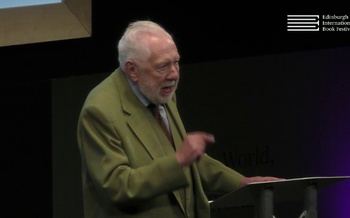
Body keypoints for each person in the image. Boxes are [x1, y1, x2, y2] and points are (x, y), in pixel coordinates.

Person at [77, 20, 284, 218]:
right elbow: (118, 186)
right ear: (133, 70)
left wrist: (241, 184)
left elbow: (187, 159)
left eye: (176, 62)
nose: (174, 74)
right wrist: (179, 161)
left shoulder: (159, 91)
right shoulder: (99, 111)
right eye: (162, 66)